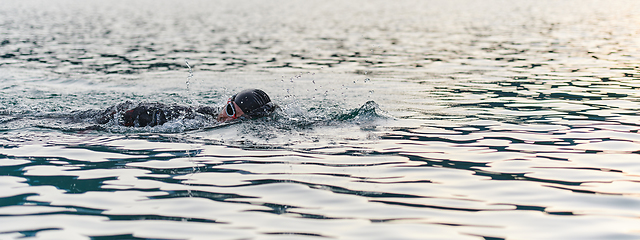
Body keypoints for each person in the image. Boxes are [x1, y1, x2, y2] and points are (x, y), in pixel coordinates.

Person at [96, 89, 276, 127]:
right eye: (228, 109)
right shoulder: (201, 119)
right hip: (122, 115)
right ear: (227, 101)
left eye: (235, 116)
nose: (226, 117)